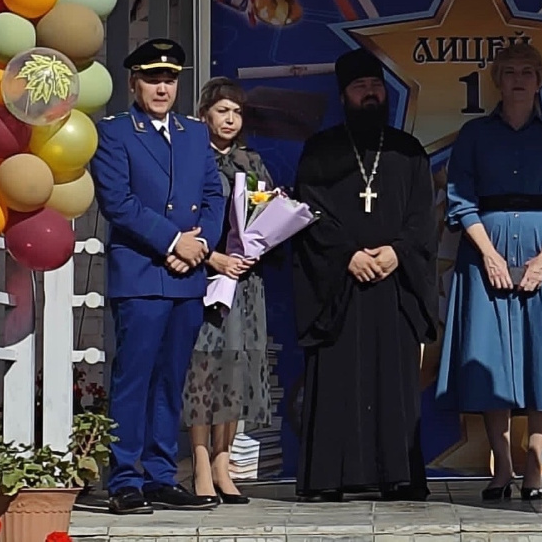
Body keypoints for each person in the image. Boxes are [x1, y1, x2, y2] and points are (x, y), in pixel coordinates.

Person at [436, 43, 542, 502]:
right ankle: (502, 463)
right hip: (485, 249)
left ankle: (534, 459)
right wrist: (489, 255)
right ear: (497, 81)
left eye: (528, 72)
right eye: (510, 72)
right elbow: (460, 201)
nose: (519, 80)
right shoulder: (474, 135)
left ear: (539, 81)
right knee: (489, 356)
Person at [291, 49, 439, 502]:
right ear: (344, 96)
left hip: (394, 285)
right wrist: (347, 256)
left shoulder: (407, 152)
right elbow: (308, 212)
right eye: (360, 87)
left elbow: (423, 216)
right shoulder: (321, 151)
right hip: (339, 287)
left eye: (376, 86)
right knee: (337, 379)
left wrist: (397, 252)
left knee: (393, 382)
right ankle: (328, 478)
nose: (370, 94)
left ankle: (398, 476)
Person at [91, 39, 224, 515]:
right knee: (134, 378)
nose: (162, 88)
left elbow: (214, 195)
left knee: (171, 380)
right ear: (134, 83)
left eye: (169, 79)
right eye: (152, 79)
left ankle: (161, 475)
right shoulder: (114, 133)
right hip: (143, 273)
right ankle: (126, 478)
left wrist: (199, 246)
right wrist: (173, 242)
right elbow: (118, 202)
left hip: (187, 277)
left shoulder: (194, 133)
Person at [182, 77, 273, 505]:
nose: (231, 119)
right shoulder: (191, 159)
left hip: (243, 282)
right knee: (203, 371)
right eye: (223, 111)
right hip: (203, 277)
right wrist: (213, 258)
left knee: (237, 370)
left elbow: (266, 217)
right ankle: (200, 463)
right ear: (205, 116)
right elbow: (182, 221)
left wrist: (255, 249)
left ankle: (224, 463)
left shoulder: (251, 162)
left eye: (237, 112)